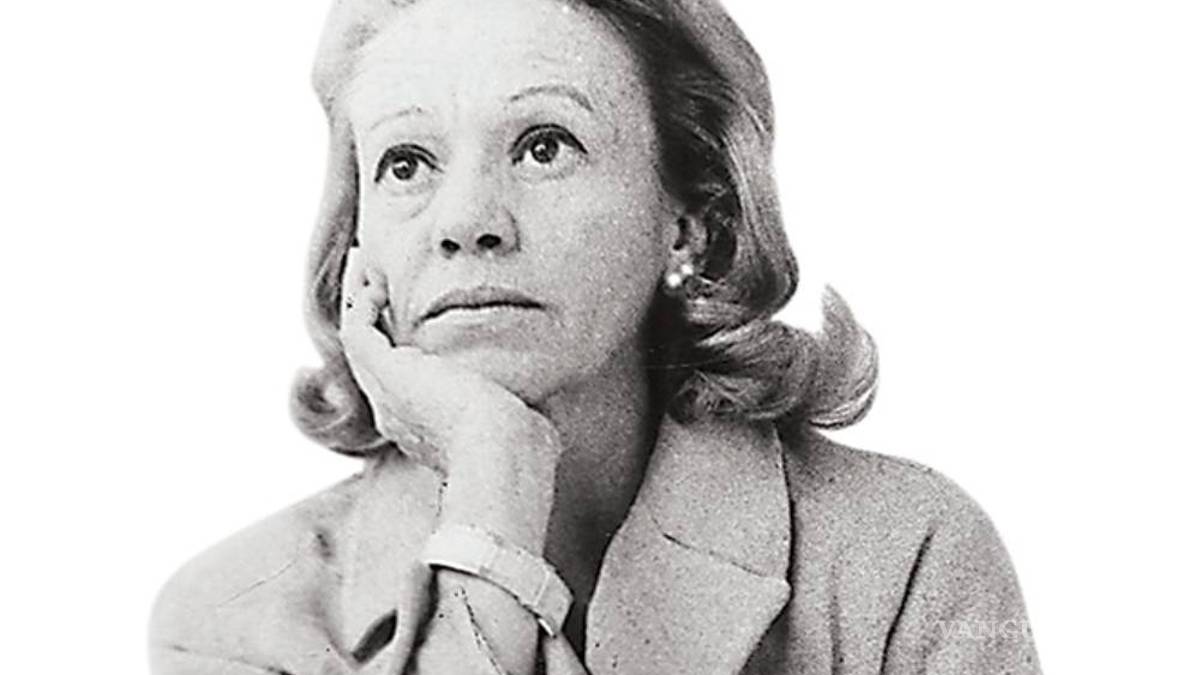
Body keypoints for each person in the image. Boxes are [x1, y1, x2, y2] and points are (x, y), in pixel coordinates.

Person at [148, 0, 1042, 672]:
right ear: (357, 242)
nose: (465, 221)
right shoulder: (232, 618)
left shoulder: (905, 556)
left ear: (689, 222)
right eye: (407, 163)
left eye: (544, 146)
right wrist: (493, 478)